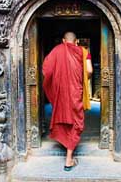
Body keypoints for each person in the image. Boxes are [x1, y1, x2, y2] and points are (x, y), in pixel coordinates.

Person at [42, 32, 93, 171]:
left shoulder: (57, 50)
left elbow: (46, 70)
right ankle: (69, 159)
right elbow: (89, 70)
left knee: (63, 116)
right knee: (76, 121)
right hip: (76, 91)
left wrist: (56, 83)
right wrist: (81, 79)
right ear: (76, 41)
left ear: (64, 41)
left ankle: (67, 147)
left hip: (62, 92)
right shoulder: (83, 51)